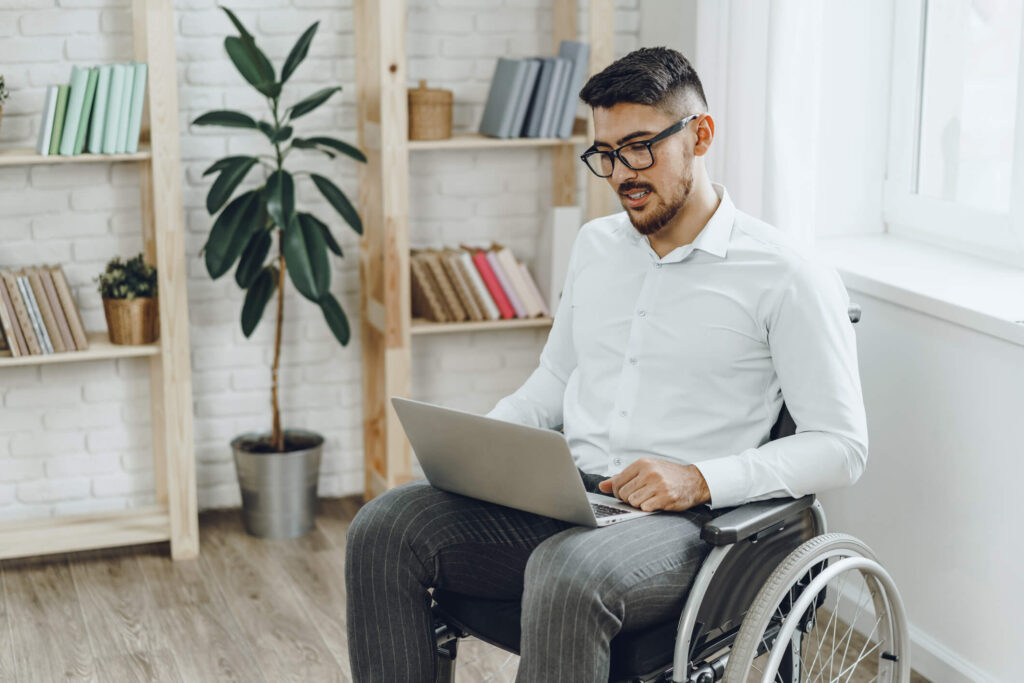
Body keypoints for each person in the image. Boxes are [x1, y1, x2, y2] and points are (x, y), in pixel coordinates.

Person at [345, 46, 867, 682]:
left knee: (569, 571)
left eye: (641, 146)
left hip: (690, 529)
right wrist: (486, 448)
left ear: (700, 134)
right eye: (607, 153)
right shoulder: (596, 246)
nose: (623, 172)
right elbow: (557, 379)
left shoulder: (786, 274)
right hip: (570, 499)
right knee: (384, 528)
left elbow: (842, 447)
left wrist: (698, 479)